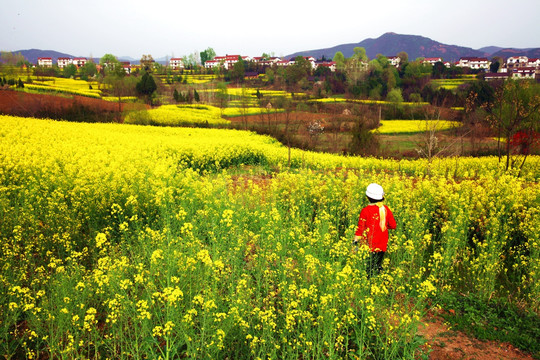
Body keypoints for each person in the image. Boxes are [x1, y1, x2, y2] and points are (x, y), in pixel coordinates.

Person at [353, 183, 396, 276]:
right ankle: (378, 281)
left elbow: (360, 229)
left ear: (367, 197)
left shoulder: (365, 211)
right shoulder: (386, 209)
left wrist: (355, 243)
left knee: (368, 268)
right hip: (382, 245)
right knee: (377, 264)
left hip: (369, 245)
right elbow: (393, 225)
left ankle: (369, 284)